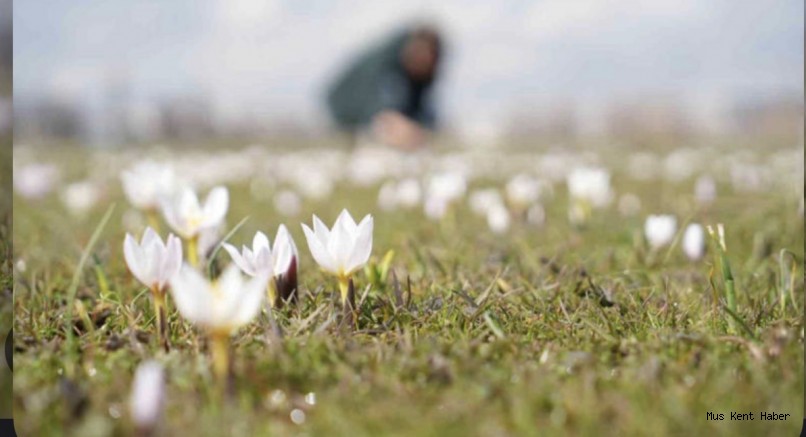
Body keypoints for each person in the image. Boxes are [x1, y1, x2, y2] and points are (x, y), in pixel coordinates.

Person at [325, 24, 443, 150]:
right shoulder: (384, 62)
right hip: (345, 104)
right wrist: (389, 120)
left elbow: (422, 108)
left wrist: (422, 126)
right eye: (419, 56)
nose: (422, 62)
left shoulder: (421, 74)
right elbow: (376, 97)